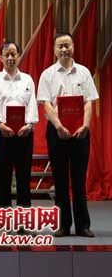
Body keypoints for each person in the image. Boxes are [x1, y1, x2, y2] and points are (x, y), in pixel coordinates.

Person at [37, 32, 98, 237]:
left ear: (73, 47)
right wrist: (59, 127)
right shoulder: (47, 74)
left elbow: (89, 101)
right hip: (57, 132)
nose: (64, 49)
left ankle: (83, 225)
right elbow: (46, 104)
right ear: (55, 50)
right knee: (60, 179)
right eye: (60, 46)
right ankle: (63, 225)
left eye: (67, 45)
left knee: (79, 179)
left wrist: (86, 125)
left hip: (81, 132)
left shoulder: (84, 72)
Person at [0, 41, 38, 210]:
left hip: (25, 134)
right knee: (3, 177)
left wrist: (29, 125)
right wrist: (0, 124)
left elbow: (32, 104)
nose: (10, 57)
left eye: (13, 54)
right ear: (1, 58)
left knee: (24, 177)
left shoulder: (27, 79)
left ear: (19, 56)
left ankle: (24, 218)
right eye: (6, 54)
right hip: (2, 135)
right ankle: (3, 217)